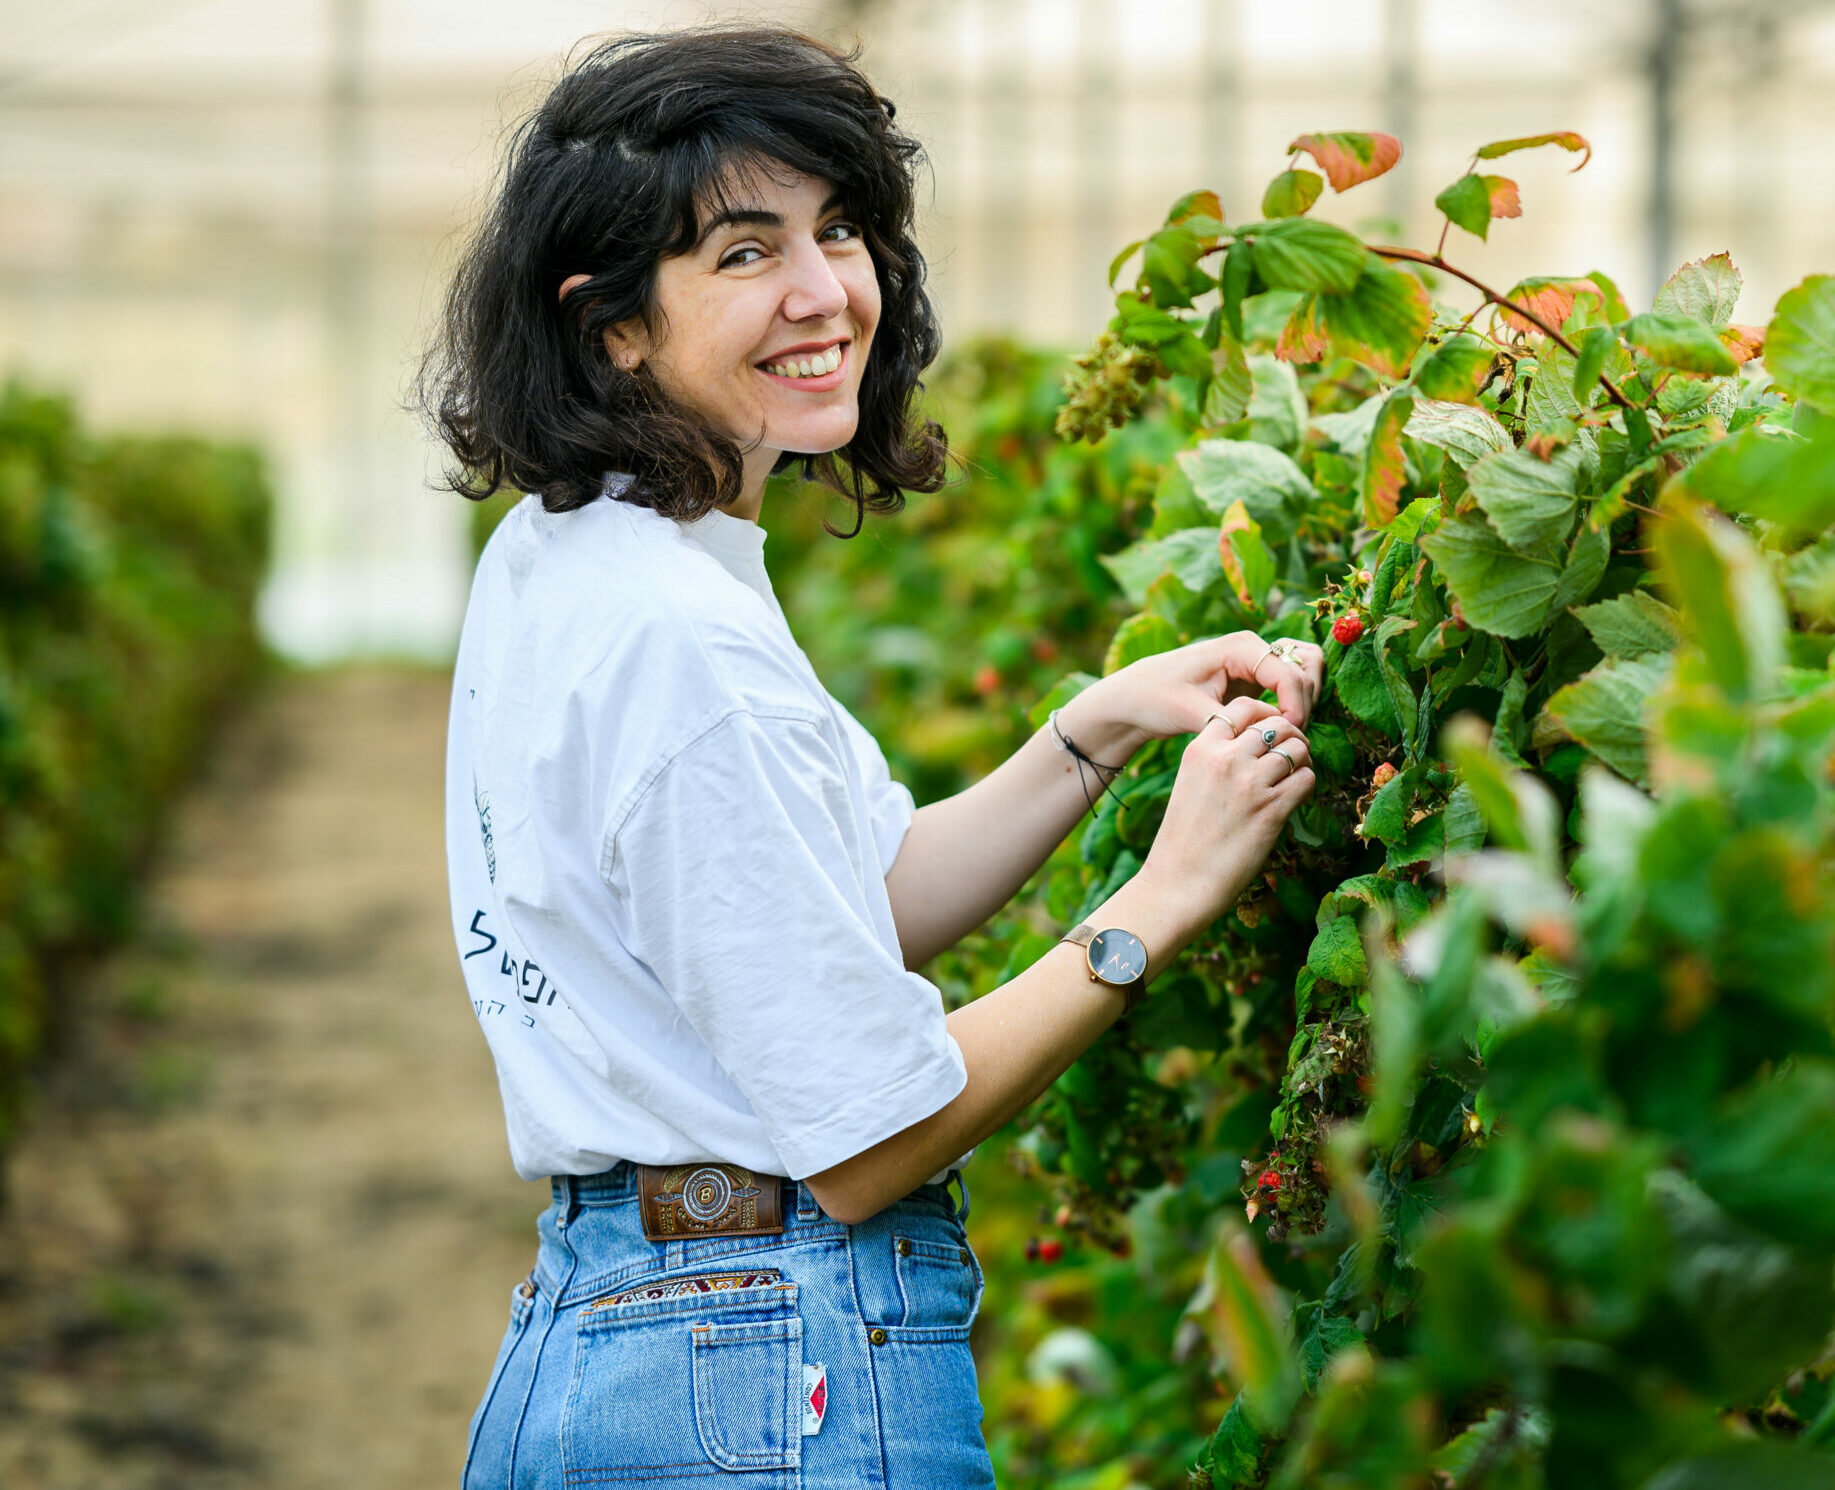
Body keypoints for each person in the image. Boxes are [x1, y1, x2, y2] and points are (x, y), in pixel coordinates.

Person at [422, 25, 1322, 1490]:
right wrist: (1154, 908)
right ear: (612, 326)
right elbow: (869, 1139)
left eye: (839, 229)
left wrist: (1089, 730)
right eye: (742, 251)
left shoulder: (579, 553)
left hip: (620, 1339)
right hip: (770, 1381)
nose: (823, 290)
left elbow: (842, 907)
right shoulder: (683, 650)